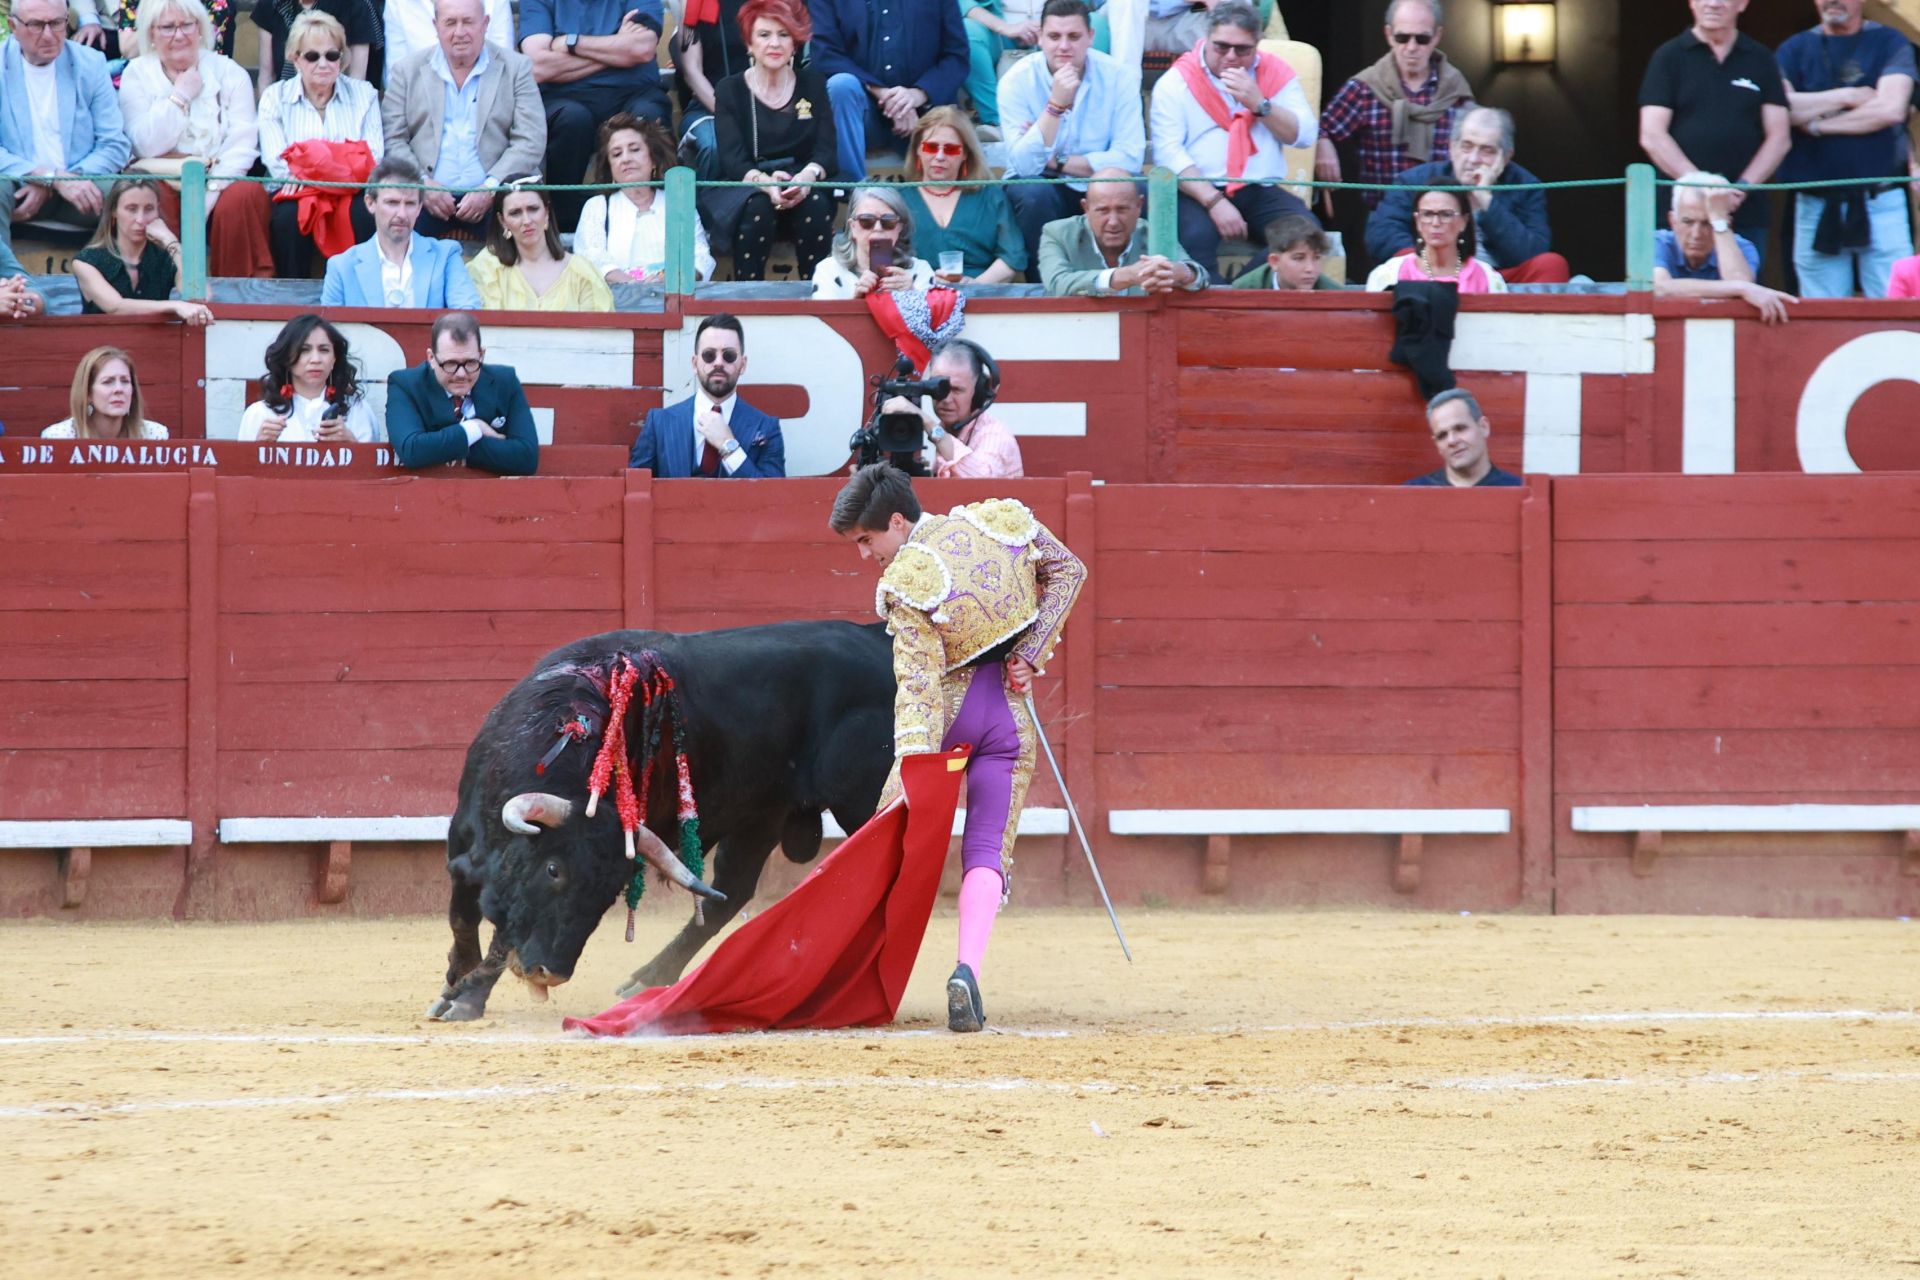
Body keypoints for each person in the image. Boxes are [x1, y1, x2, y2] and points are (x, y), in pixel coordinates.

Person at [828, 462, 1085, 1033]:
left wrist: (910, 769)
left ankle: (844, 966)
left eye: (868, 540)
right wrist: (1028, 652)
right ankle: (966, 968)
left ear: (897, 522)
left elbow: (917, 686)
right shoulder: (998, 522)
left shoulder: (905, 581)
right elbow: (1069, 570)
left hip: (946, 718)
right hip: (1009, 720)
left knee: (890, 841)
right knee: (988, 849)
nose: (866, 554)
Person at [1148, 2, 1315, 282]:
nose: (1230, 56)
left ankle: (1240, 293)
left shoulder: (1275, 73)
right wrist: (1214, 202)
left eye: (1242, 49)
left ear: (1257, 44)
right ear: (1206, 37)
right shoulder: (1177, 80)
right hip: (1198, 190)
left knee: (1304, 234)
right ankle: (1213, 307)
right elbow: (1168, 154)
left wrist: (1260, 104)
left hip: (1259, 188)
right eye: (1221, 46)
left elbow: (1304, 135)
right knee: (1194, 239)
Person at [116, 0, 272, 278]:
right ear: (151, 33)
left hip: (220, 176)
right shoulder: (136, 73)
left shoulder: (229, 72)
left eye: (186, 25)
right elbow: (143, 145)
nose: (179, 35)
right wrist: (180, 97)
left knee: (245, 196)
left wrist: (209, 194)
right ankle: (161, 291)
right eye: (167, 27)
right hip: (162, 176)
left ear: (200, 28)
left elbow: (242, 146)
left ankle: (236, 298)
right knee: (147, 192)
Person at [1776, 0, 1916, 299]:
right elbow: (1782, 110)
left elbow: (1890, 110)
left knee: (1894, 312)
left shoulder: (1890, 41)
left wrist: (1817, 125)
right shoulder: (1794, 48)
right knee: (1821, 315)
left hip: (1882, 200)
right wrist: (1849, 95)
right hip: (1816, 203)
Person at [381, 0, 546, 241]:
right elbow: (392, 139)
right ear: (436, 26)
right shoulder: (407, 71)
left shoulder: (516, 68)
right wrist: (422, 183)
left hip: (497, 194)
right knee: (394, 216)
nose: (459, 32)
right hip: (424, 196)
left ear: (485, 24)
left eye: (468, 22)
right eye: (450, 23)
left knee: (521, 214)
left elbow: (531, 139)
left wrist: (491, 188)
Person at [999, 0, 1143, 272]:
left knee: (1139, 190)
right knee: (1031, 193)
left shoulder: (1119, 77)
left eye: (1074, 36)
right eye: (1054, 36)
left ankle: (1126, 282)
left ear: (1090, 37)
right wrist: (1055, 105)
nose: (1064, 46)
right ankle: (1042, 286)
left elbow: (1131, 159)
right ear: (1040, 37)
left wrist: (1057, 160)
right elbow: (1024, 166)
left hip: (1098, 182)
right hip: (1043, 184)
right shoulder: (1016, 80)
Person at [1638, 0, 1789, 251]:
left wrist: (1740, 189)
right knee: (1678, 289)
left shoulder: (1761, 58)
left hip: (1744, 211)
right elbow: (1652, 135)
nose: (1713, 4)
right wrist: (1701, 187)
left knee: (1745, 288)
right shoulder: (1668, 56)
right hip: (1681, 213)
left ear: (1742, 4)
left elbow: (1779, 137)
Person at [706, 0, 836, 282]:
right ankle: (746, 296)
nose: (774, 43)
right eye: (764, 35)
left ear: (795, 43)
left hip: (803, 182)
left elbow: (826, 151)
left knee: (814, 203)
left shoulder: (813, 84)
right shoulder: (729, 89)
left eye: (784, 34)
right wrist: (764, 182)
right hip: (749, 186)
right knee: (758, 207)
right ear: (749, 44)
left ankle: (819, 295)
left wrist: (806, 176)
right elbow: (732, 160)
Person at [1365, 106, 1568, 285]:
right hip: (1431, 273)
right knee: (1401, 262)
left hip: (1498, 278)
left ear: (1506, 157)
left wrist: (1486, 200)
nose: (1473, 159)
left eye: (1486, 150)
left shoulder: (1526, 185)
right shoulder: (1416, 180)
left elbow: (1531, 252)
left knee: (1552, 265)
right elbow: (1381, 234)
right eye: (1467, 146)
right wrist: (1426, 260)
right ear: (1452, 148)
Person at [0, 0, 130, 275]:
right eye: (36, 24)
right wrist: (48, 177)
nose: (48, 34)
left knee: (132, 194)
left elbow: (114, 144)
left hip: (81, 183)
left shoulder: (89, 63)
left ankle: (129, 292)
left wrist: (63, 180)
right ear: (13, 27)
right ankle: (8, 289)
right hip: (19, 188)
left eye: (57, 23)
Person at [519, 0, 670, 227]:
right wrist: (618, 49)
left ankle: (658, 218)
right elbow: (538, 66)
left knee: (647, 117)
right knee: (572, 119)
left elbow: (642, 48)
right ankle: (565, 222)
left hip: (633, 94)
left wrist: (571, 43)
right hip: (566, 100)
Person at [1316, 0, 1473, 211]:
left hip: (1445, 218)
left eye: (1422, 38)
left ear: (1437, 36)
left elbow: (1479, 151)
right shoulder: (1365, 88)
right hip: (1385, 215)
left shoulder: (1456, 92)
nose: (1411, 47)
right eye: (1402, 37)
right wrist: (1322, 145)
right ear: (1389, 35)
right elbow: (1315, 129)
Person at [259, 10, 383, 277]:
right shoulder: (274, 97)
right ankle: (292, 300)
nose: (323, 63)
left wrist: (308, 162)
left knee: (366, 213)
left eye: (332, 55)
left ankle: (359, 300)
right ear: (296, 58)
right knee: (287, 219)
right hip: (294, 193)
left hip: (351, 194)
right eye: (312, 56)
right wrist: (341, 161)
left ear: (342, 58)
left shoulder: (365, 95)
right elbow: (277, 161)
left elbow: (372, 158)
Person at [808, 0, 968, 182]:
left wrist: (917, 94)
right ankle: (853, 190)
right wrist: (883, 94)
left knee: (949, 124)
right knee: (840, 86)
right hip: (863, 112)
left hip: (926, 111)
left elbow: (956, 56)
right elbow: (824, 54)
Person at [628, 312, 784, 476]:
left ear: (743, 365)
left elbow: (771, 496)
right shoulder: (659, 423)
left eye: (729, 355)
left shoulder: (766, 427)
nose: (718, 362)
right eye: (709, 355)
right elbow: (637, 486)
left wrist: (728, 446)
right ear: (695, 364)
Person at [385, 310, 539, 474]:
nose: (461, 374)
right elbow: (411, 450)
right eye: (450, 364)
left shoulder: (504, 381)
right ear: (431, 358)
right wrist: (474, 428)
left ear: (482, 355)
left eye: (471, 363)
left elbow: (527, 457)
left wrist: (443, 446)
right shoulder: (405, 384)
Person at [321, 156, 486, 307]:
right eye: (392, 202)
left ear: (420, 207)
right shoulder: (341, 267)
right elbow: (332, 331)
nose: (401, 214)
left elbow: (467, 313)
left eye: (410, 204)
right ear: (370, 203)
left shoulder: (446, 255)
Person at [575, 113, 714, 285]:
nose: (625, 159)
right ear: (610, 167)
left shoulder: (678, 204)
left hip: (672, 300)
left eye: (634, 150)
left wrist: (665, 282)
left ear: (653, 159)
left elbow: (700, 257)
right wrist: (635, 287)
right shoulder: (597, 207)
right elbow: (592, 259)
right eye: (616, 154)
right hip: (617, 303)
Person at [899, 107, 1024, 283]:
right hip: (915, 296)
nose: (940, 156)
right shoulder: (898, 199)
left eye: (950, 149)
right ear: (918, 150)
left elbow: (1012, 256)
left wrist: (976, 285)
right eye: (931, 147)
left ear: (965, 153)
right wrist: (922, 283)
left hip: (981, 297)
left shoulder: (990, 196)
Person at [1652, 172, 1796, 325]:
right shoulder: (1657, 241)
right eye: (1687, 222)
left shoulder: (1742, 247)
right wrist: (1740, 288)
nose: (1696, 234)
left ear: (1728, 223)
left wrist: (1719, 222)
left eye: (1708, 223)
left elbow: (1740, 281)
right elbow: (1660, 287)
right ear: (1672, 221)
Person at [1037, 168, 1205, 296]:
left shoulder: (1153, 233)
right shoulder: (1056, 232)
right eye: (1103, 210)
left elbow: (1200, 274)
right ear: (1086, 208)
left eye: (1122, 209)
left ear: (1139, 206)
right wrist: (1127, 276)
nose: (1113, 221)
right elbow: (1057, 283)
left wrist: (1182, 273)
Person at [69, 177, 215, 321]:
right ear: (114, 211)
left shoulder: (165, 257)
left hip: (156, 342)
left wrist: (171, 241)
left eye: (149, 209)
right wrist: (174, 305)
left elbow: (201, 296)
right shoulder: (87, 260)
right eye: (131, 209)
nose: (141, 219)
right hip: (102, 343)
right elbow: (115, 306)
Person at [880, 337, 1023, 477]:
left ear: (979, 391)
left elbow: (979, 480)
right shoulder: (949, 432)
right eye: (938, 388)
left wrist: (927, 422)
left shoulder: (995, 436)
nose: (947, 399)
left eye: (957, 390)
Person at [466, 177, 614, 310]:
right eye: (515, 213)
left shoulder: (582, 272)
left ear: (547, 212)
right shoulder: (487, 268)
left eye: (533, 209)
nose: (527, 221)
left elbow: (600, 334)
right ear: (502, 221)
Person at [238, 313, 380, 442]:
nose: (315, 359)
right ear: (287, 357)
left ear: (334, 359)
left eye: (324, 350)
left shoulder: (357, 409)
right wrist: (258, 448)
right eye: (304, 350)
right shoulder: (259, 413)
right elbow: (240, 469)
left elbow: (373, 468)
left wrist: (351, 444)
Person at [666, 0, 749, 183]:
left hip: (763, 103)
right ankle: (706, 209)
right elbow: (692, 72)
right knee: (715, 145)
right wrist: (727, 113)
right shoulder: (696, 4)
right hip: (708, 106)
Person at [1365, 187, 1505, 293]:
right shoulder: (1388, 274)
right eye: (1427, 214)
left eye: (1446, 214)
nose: (1436, 222)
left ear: (1464, 221)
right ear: (1417, 221)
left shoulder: (1488, 277)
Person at [812, 185, 937, 299]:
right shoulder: (829, 271)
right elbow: (822, 323)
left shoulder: (919, 271)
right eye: (866, 221)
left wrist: (912, 295)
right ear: (852, 227)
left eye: (888, 221)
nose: (878, 228)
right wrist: (856, 302)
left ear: (899, 228)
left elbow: (933, 321)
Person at [42, 345, 169, 439]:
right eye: (108, 382)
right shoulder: (59, 437)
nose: (119, 389)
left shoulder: (155, 435)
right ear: (88, 393)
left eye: (125, 381)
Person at [250, 0, 375, 93]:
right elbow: (266, 76)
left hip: (339, 104)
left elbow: (357, 79)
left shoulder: (355, 5)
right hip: (284, 102)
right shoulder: (271, 4)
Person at [1405, 387, 1520, 488]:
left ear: (1483, 427)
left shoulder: (1516, 490)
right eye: (1442, 435)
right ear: (1437, 444)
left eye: (1460, 428)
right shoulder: (1412, 493)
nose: (1452, 440)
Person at [384, 0, 512, 71]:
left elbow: (505, 67)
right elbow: (395, 77)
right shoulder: (398, 3)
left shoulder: (495, 2)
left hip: (487, 108)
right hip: (421, 111)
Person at [1230, 213, 1341, 290]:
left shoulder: (1333, 294)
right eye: (1299, 258)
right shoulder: (1246, 289)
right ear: (1275, 261)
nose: (1310, 269)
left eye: (1316, 258)